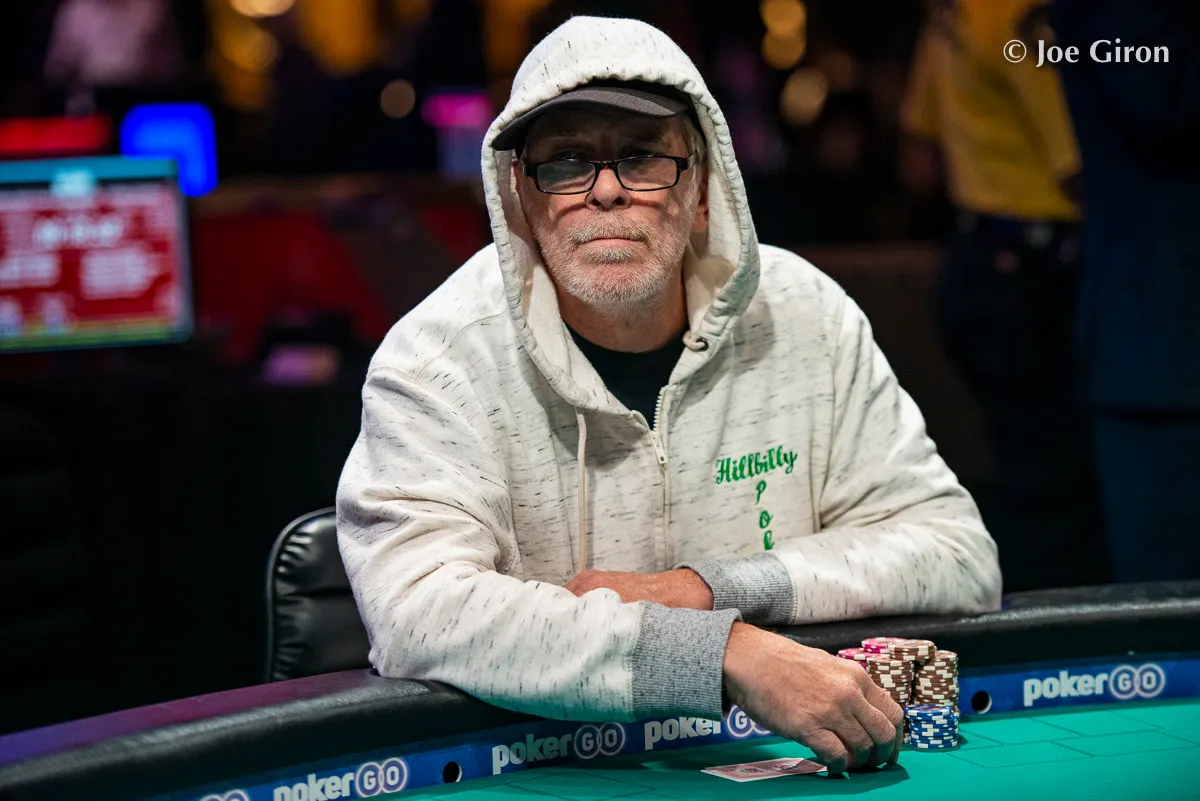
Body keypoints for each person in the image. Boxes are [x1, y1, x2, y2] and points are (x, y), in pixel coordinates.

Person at [337, 16, 1002, 775]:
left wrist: (707, 590)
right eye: (566, 161)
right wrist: (722, 652)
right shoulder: (436, 359)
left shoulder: (807, 317)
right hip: (546, 774)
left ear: (704, 187)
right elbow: (419, 613)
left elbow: (958, 555)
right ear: (519, 196)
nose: (607, 190)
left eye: (643, 157)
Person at [899, 0, 1109, 592]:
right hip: (1037, 277)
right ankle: (1053, 636)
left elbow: (919, 153)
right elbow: (1078, 166)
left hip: (976, 261)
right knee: (1058, 493)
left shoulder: (951, 8)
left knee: (1024, 474)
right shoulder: (1021, 11)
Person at [1048, 0, 1200, 581]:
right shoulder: (1125, 13)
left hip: (1165, 346)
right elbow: (1162, 100)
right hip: (1163, 346)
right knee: (1170, 593)